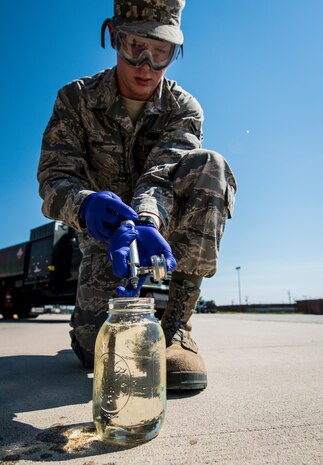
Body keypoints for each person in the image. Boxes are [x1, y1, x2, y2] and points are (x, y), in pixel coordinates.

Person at [37, 0, 236, 391]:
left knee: (209, 165)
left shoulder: (183, 109)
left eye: (161, 52)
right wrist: (86, 204)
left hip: (158, 227)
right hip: (103, 241)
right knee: (97, 348)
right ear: (114, 37)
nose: (147, 66)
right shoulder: (75, 100)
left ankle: (176, 326)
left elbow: (163, 173)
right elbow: (53, 179)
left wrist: (147, 219)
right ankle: (109, 324)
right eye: (135, 48)